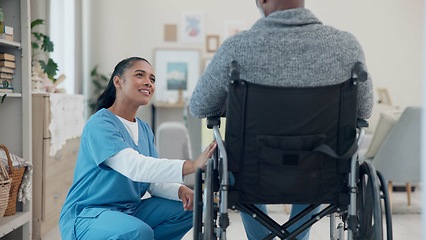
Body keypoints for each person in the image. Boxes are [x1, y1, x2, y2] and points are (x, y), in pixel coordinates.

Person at [189, 0, 373, 239]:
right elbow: (364, 111)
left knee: (236, 163)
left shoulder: (237, 48)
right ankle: (298, 235)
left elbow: (200, 106)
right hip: (321, 169)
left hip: (252, 172)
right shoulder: (346, 46)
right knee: (318, 161)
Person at [59, 56, 217, 240]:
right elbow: (133, 166)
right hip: (89, 214)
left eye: (152, 79)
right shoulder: (100, 124)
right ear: (117, 81)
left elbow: (153, 181)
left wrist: (180, 190)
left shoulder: (143, 129)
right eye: (140, 75)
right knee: (138, 232)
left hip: (129, 210)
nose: (148, 83)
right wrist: (192, 165)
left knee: (193, 208)